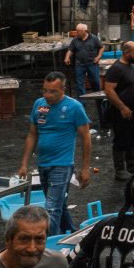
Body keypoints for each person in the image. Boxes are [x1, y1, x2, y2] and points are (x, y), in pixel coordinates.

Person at [17, 71, 91, 235]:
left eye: (53, 91)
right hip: (43, 164)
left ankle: (49, 248)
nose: (47, 95)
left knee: (51, 209)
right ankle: (71, 232)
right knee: (58, 205)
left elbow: (86, 137)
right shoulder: (39, 104)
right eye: (45, 90)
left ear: (63, 89)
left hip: (62, 165)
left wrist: (85, 169)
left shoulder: (74, 107)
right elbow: (32, 134)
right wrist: (24, 164)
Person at [103, 40, 134, 181]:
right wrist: (122, 107)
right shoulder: (116, 69)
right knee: (121, 139)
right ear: (126, 53)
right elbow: (109, 90)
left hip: (133, 110)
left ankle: (131, 167)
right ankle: (119, 170)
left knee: (132, 138)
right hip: (121, 112)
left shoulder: (131, 67)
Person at [64, 23, 104, 97]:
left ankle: (99, 99)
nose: (77, 33)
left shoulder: (94, 38)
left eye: (79, 31)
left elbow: (101, 47)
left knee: (95, 82)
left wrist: (98, 56)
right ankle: (82, 103)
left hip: (92, 63)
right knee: (79, 84)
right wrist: (67, 57)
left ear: (85, 31)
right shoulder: (75, 39)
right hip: (79, 64)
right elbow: (70, 50)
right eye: (76, 31)